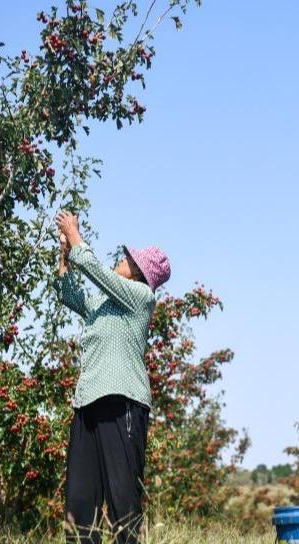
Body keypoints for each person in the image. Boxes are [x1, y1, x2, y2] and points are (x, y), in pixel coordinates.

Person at [54, 210, 171, 544]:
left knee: (123, 505)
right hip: (88, 403)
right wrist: (65, 254)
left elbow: (93, 269)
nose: (121, 259)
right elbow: (69, 294)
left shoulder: (140, 298)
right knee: (79, 503)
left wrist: (75, 235)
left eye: (127, 258)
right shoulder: (105, 304)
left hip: (123, 403)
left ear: (138, 272)